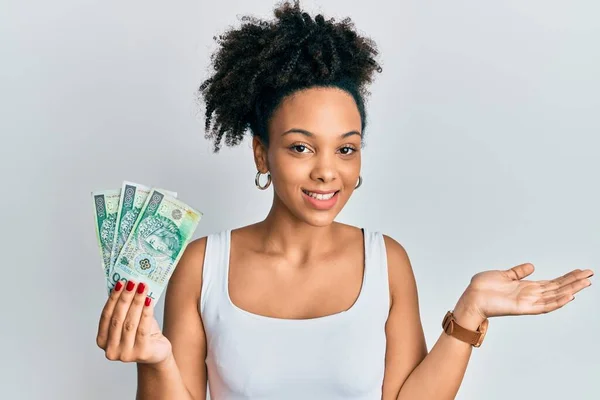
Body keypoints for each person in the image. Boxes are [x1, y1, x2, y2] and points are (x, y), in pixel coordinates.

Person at [95, 1, 594, 399]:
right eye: (300, 147)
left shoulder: (387, 261)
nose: (327, 170)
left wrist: (470, 312)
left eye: (346, 148)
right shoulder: (203, 265)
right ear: (261, 154)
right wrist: (155, 360)